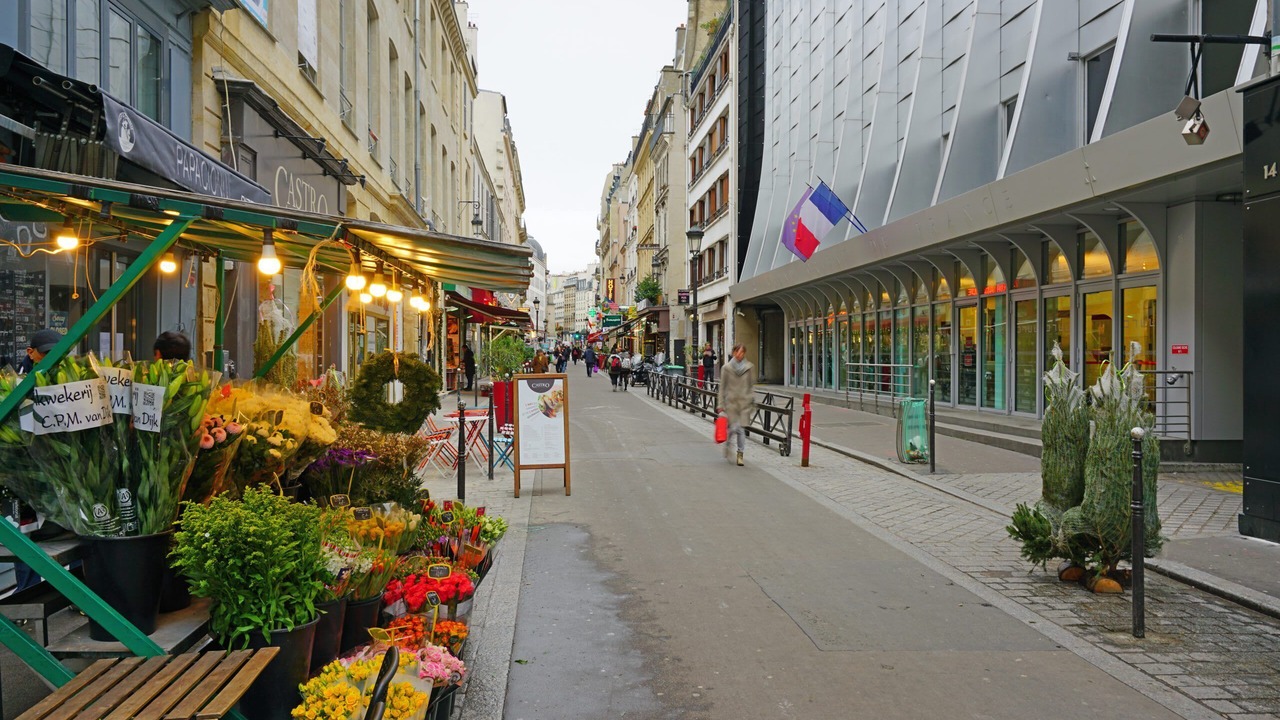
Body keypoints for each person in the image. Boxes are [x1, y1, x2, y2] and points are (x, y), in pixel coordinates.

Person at [717, 344, 756, 467]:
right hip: (731, 403)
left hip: (744, 403)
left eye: (742, 352)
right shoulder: (726, 368)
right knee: (733, 428)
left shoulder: (749, 367)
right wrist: (720, 404)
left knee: (741, 429)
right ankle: (728, 444)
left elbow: (751, 385)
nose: (740, 355)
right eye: (738, 352)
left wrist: (751, 399)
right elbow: (722, 387)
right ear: (733, 353)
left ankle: (740, 454)